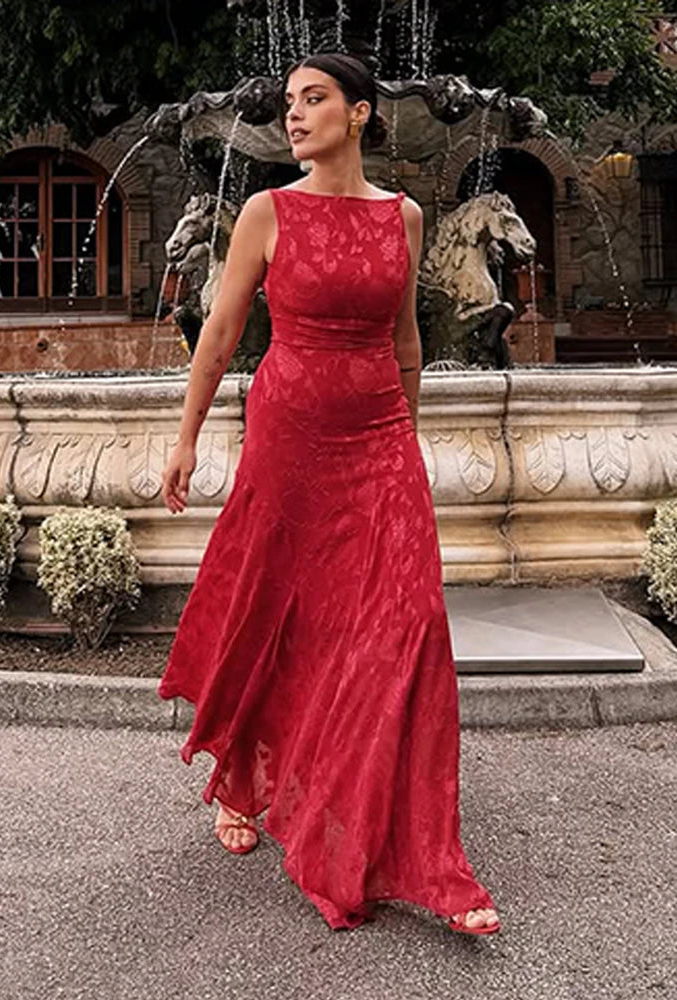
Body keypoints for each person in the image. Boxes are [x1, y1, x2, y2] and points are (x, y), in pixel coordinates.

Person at [159, 51, 500, 936]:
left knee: (407, 621)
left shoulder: (407, 216)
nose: (296, 114)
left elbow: (408, 341)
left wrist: (406, 442)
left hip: (380, 438)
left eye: (315, 100)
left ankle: (426, 855)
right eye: (289, 103)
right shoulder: (267, 213)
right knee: (281, 607)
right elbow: (224, 331)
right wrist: (188, 436)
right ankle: (241, 775)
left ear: (360, 115)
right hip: (291, 436)